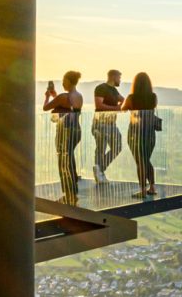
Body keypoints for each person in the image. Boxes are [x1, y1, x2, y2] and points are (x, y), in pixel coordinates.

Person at [43, 71, 84, 202]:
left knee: (63, 162)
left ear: (69, 81)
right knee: (69, 159)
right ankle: (73, 192)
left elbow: (46, 107)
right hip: (76, 130)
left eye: (64, 80)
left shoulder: (62, 97)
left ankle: (68, 194)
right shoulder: (79, 96)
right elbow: (67, 108)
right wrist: (56, 96)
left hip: (64, 131)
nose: (62, 83)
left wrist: (47, 96)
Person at [123, 72, 160, 197]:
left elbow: (123, 108)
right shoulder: (153, 97)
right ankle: (152, 187)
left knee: (140, 161)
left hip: (135, 133)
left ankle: (143, 190)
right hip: (150, 134)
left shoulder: (131, 98)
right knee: (146, 160)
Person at [91, 69, 125, 184]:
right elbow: (99, 105)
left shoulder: (114, 91)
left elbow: (123, 101)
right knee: (101, 149)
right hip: (100, 123)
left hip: (111, 124)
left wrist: (123, 105)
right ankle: (100, 173)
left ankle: (99, 169)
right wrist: (117, 108)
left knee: (118, 146)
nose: (120, 80)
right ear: (114, 77)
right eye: (119, 78)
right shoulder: (101, 88)